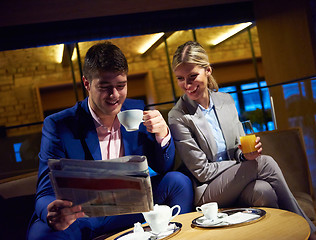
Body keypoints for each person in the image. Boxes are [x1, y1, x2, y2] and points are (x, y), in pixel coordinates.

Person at [27, 41, 193, 240]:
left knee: (178, 182)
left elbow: (163, 167)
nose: (114, 95)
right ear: (87, 84)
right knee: (41, 235)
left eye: (121, 86)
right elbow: (44, 192)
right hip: (83, 214)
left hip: (132, 206)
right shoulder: (59, 125)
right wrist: (51, 212)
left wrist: (163, 136)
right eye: (105, 87)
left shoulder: (137, 111)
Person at [168, 41, 316, 239]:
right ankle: (310, 233)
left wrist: (245, 154)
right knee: (265, 162)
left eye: (192, 77)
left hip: (237, 181)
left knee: (264, 191)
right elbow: (202, 171)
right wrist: (242, 161)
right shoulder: (178, 116)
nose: (186, 85)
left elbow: (238, 146)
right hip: (208, 191)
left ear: (208, 70)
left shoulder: (226, 101)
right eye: (180, 79)